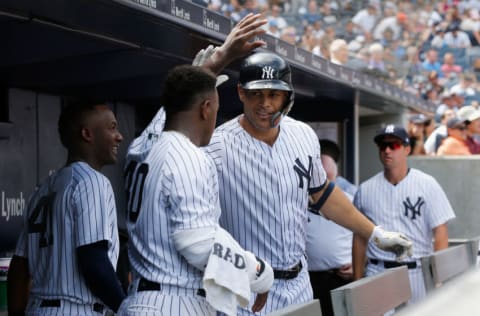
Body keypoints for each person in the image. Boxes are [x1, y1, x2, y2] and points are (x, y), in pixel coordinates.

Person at [204, 51, 413, 315]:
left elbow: (322, 194)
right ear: (241, 93)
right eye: (256, 93)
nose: (265, 103)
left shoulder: (302, 135)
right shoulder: (216, 145)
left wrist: (375, 233)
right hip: (247, 287)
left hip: (300, 284)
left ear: (287, 97)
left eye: (273, 94)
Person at [118, 14, 274, 316]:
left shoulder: (142, 146)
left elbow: (170, 111)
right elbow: (198, 243)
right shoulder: (188, 155)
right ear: (205, 108)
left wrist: (209, 68)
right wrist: (258, 272)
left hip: (141, 299)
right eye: (214, 107)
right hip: (175, 302)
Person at [7, 101, 126, 315]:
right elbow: (93, 260)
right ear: (87, 134)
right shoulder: (92, 182)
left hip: (38, 308)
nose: (119, 136)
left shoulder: (42, 190)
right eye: (112, 127)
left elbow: (19, 267)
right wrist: (124, 308)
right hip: (75, 309)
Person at [353, 125, 456, 308]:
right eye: (383, 146)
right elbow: (359, 237)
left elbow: (440, 232)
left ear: (407, 149)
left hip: (416, 271)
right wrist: (357, 280)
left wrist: (438, 276)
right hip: (377, 271)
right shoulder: (365, 189)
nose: (387, 150)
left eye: (394, 145)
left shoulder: (427, 184)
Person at [306, 140, 356, 316]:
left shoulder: (351, 202)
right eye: (320, 179)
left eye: (329, 179)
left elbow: (367, 236)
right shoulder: (296, 205)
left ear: (337, 176)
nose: (324, 187)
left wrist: (358, 266)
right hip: (308, 282)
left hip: (341, 280)